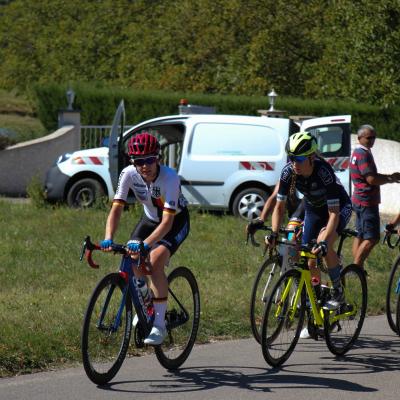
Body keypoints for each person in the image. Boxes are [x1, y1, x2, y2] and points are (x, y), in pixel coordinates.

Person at [100, 132, 190, 345]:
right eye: (139, 161)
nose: (145, 166)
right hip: (149, 220)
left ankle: (159, 325)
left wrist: (146, 244)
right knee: (134, 262)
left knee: (154, 261)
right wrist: (108, 237)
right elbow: (116, 209)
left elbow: (167, 223)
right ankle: (147, 306)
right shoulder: (128, 174)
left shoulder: (170, 177)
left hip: (175, 221)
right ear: (133, 162)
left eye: (149, 160)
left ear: (158, 158)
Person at [267, 132, 353, 314]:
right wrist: (274, 233)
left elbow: (333, 214)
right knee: (298, 250)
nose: (294, 163)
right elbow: (279, 207)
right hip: (313, 210)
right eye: (291, 157)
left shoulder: (324, 173)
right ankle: (307, 294)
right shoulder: (288, 171)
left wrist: (324, 243)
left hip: (338, 208)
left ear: (311, 157)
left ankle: (338, 291)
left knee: (324, 244)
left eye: (298, 158)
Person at [350, 124, 400, 271]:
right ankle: (357, 268)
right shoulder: (364, 154)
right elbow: (371, 179)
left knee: (360, 234)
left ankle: (356, 269)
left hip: (358, 199)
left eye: (374, 137)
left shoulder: (356, 152)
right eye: (369, 137)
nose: (372, 140)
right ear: (359, 138)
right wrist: (391, 178)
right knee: (372, 238)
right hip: (367, 201)